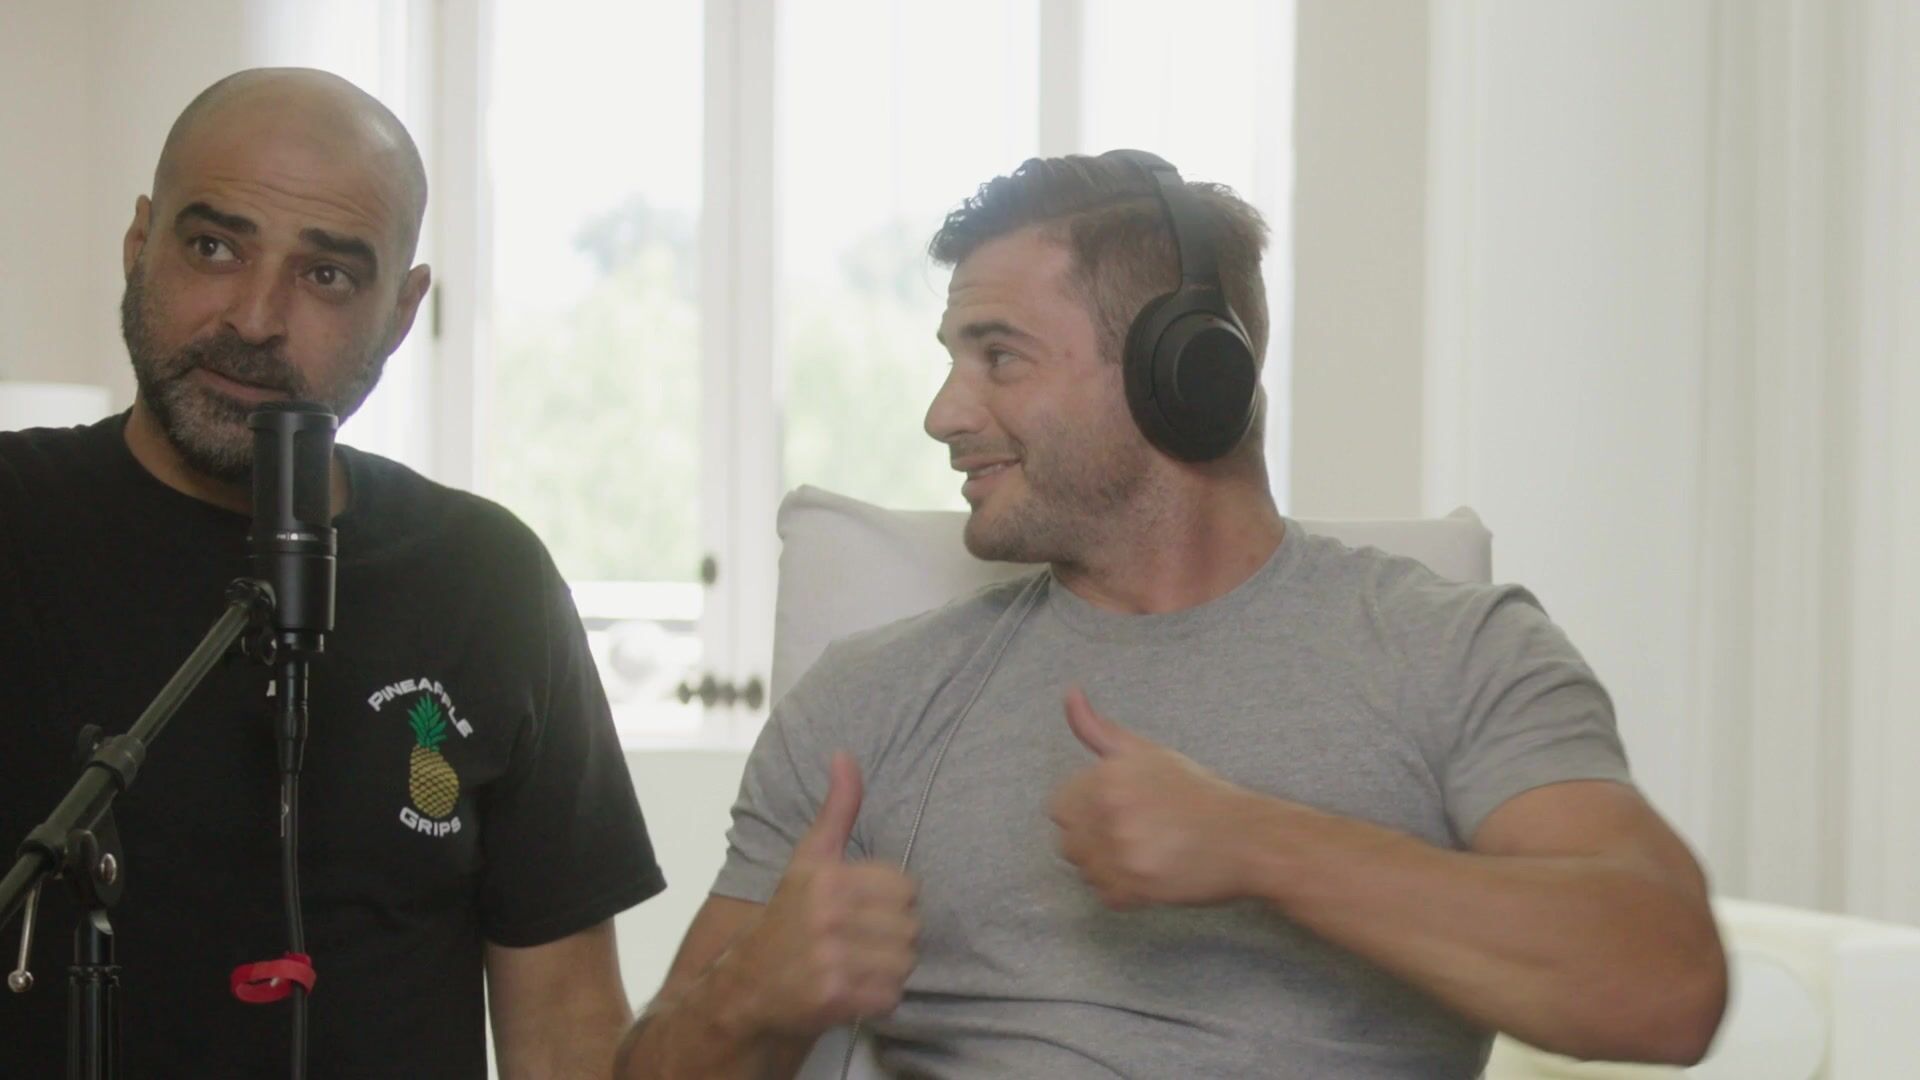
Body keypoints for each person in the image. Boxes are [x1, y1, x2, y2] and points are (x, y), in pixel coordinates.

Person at [615, 152, 1727, 1079]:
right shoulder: (870, 699)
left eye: (999, 356)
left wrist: (1257, 845)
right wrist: (747, 998)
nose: (944, 413)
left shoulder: (1453, 652)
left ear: (1184, 373)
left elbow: (1668, 987)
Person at [0, 68, 664, 1078]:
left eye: (327, 275)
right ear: (139, 247)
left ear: (400, 311)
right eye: (213, 247)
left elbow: (567, 1035)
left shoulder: (487, 581)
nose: (255, 318)